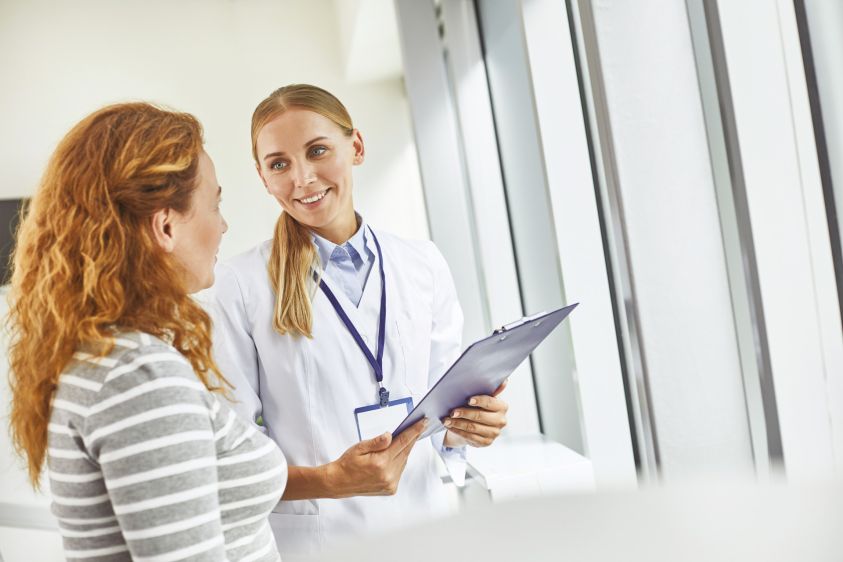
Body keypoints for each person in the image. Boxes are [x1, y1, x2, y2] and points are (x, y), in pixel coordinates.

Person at [208, 84, 509, 557]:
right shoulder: (239, 285)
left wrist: (468, 425)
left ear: (358, 148)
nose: (302, 178)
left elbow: (441, 410)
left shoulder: (423, 264)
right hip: (319, 543)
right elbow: (233, 458)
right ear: (263, 178)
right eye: (279, 164)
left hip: (425, 530)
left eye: (318, 150)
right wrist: (331, 482)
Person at [7, 102, 286, 561]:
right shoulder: (138, 375)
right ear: (165, 225)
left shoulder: (109, 359)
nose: (223, 225)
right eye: (214, 204)